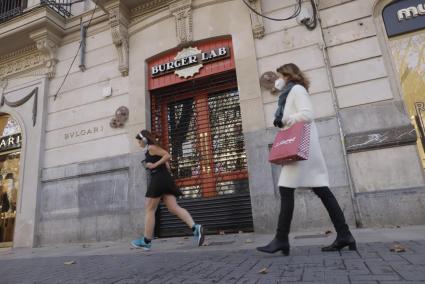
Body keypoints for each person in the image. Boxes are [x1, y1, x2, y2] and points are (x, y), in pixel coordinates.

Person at [257, 63, 356, 255]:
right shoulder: (288, 93)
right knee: (321, 190)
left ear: (286, 75)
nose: (277, 80)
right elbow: (288, 106)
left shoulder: (297, 89)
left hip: (302, 149)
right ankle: (344, 235)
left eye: (279, 76)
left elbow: (308, 114)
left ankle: (281, 239)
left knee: (286, 189)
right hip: (305, 148)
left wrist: (284, 120)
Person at [131, 130, 205, 250]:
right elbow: (167, 164)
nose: (138, 143)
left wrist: (153, 166)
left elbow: (167, 155)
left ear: (144, 139)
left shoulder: (152, 148)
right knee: (173, 207)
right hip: (165, 179)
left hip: (158, 179)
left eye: (139, 140)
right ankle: (195, 228)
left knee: (150, 209)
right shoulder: (153, 149)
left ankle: (146, 240)